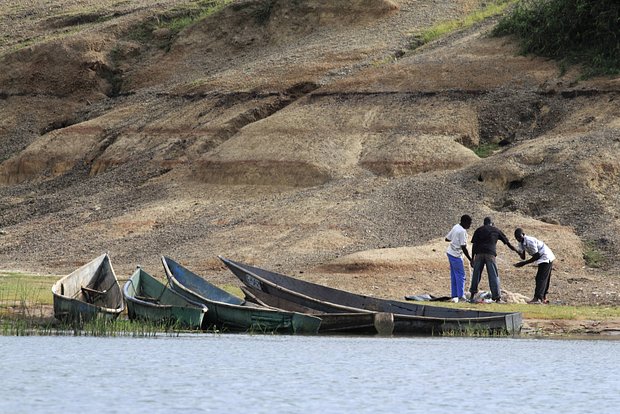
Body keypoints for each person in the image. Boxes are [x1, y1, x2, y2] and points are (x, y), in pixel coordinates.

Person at [469, 217, 518, 303]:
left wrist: (472, 258)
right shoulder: (496, 230)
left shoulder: (478, 230)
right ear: (492, 223)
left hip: (479, 254)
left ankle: (472, 295)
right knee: (493, 275)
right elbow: (508, 243)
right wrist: (517, 251)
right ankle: (497, 298)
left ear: (484, 223)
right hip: (490, 254)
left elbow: (474, 245)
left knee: (476, 275)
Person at [513, 228, 556, 304]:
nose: (518, 239)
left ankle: (538, 298)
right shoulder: (521, 242)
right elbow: (523, 256)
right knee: (543, 278)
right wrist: (518, 251)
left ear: (523, 234)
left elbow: (537, 256)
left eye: (519, 237)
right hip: (542, 258)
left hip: (545, 257)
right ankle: (542, 297)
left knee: (541, 278)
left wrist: (523, 263)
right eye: (516, 238)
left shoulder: (529, 241)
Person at [445, 214, 473, 302]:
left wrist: (454, 239)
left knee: (454, 275)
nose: (470, 225)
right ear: (464, 222)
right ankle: (461, 296)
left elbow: (447, 239)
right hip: (456, 255)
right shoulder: (462, 231)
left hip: (450, 252)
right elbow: (463, 247)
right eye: (469, 223)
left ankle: (454, 296)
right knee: (461, 276)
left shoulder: (456, 226)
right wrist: (470, 259)